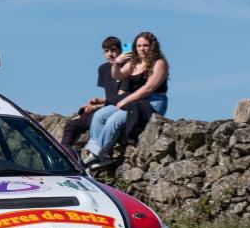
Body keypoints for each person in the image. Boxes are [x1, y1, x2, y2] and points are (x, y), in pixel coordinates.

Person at [84, 31, 170, 169]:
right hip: (132, 100)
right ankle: (97, 153)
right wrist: (117, 63)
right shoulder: (134, 62)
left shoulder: (159, 63)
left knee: (114, 120)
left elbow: (149, 88)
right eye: (139, 45)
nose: (142, 48)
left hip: (151, 102)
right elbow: (118, 75)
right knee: (99, 115)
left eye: (145, 45)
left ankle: (98, 154)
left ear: (152, 46)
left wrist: (126, 101)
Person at [60, 36, 126, 154]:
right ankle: (65, 152)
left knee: (93, 119)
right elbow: (111, 95)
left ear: (120, 51)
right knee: (71, 124)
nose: (110, 54)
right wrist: (98, 101)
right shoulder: (103, 69)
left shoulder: (127, 69)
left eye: (113, 50)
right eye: (106, 51)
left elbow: (122, 98)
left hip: (118, 109)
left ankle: (97, 153)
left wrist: (96, 107)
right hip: (106, 106)